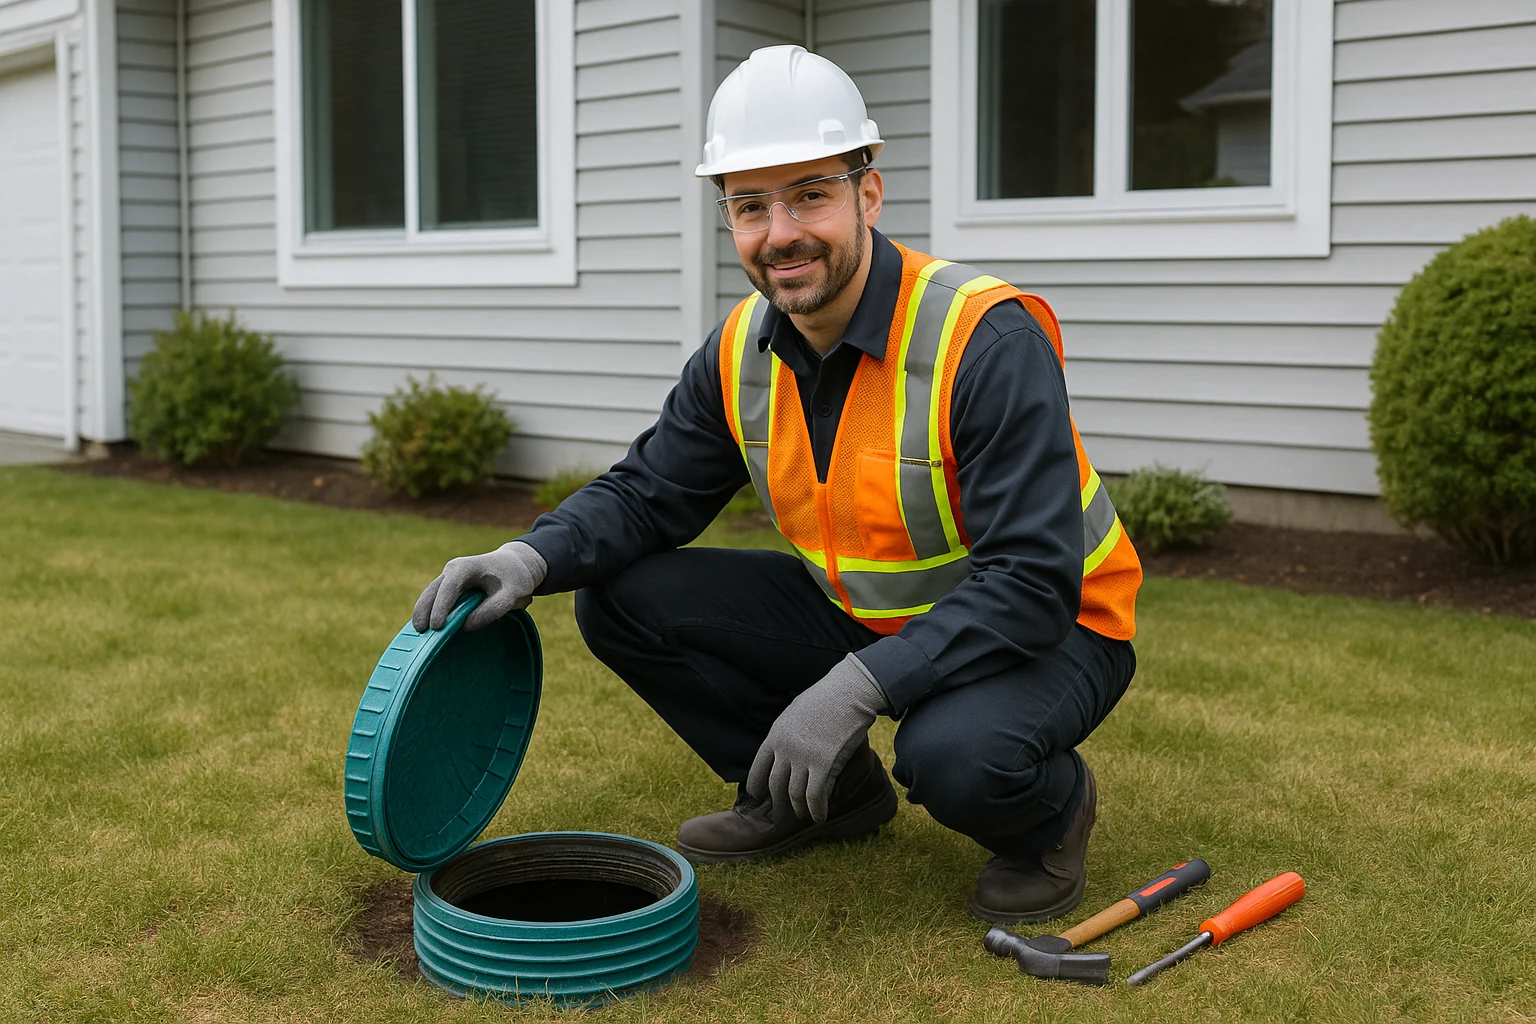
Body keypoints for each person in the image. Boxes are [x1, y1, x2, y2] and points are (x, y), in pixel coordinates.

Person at [412, 45, 1142, 924]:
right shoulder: (740, 351)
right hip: (869, 611)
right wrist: (529, 555)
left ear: (867, 194)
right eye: (750, 206)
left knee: (954, 754)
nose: (780, 232)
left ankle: (1051, 816)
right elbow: (649, 494)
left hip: (1054, 626)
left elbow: (1030, 584)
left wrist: (854, 689)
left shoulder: (983, 341)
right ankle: (828, 800)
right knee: (623, 597)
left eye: (810, 194)